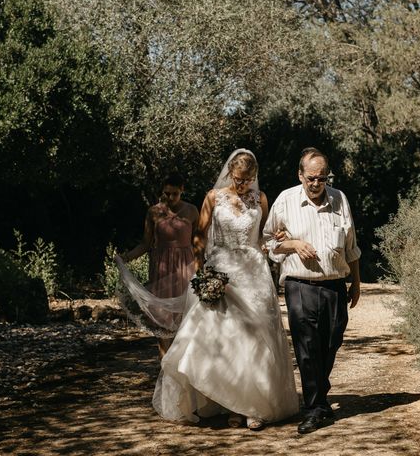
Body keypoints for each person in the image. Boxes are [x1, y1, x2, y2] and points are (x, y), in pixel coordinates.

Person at [153, 149, 299, 430]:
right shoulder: (213, 197)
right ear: (230, 173)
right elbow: (200, 235)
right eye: (237, 179)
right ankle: (232, 406)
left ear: (254, 176)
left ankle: (254, 407)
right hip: (222, 270)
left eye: (247, 180)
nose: (242, 185)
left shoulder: (261, 198)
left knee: (256, 339)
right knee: (225, 338)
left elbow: (264, 237)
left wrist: (278, 237)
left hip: (254, 273)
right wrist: (202, 270)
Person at [263, 147, 361, 434]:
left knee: (331, 341)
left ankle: (319, 395)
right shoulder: (285, 200)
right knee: (306, 349)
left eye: (322, 178)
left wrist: (355, 283)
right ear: (300, 175)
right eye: (311, 179)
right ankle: (315, 407)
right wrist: (292, 244)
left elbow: (352, 246)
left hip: (334, 285)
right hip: (299, 285)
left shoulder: (339, 199)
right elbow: (268, 242)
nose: (317, 184)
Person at [120, 173, 199, 358]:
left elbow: (199, 242)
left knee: (185, 317)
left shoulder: (192, 211)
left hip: (185, 267)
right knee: (162, 318)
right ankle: (165, 368)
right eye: (166, 194)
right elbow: (145, 243)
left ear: (182, 190)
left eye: (174, 194)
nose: (170, 198)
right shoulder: (153, 212)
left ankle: (182, 366)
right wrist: (125, 258)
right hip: (161, 266)